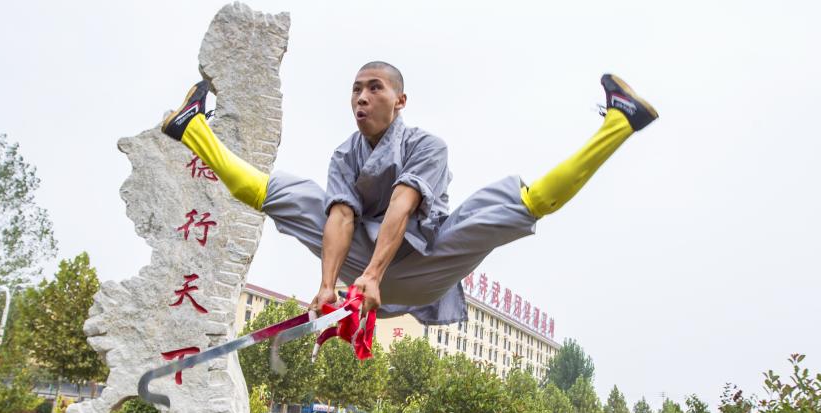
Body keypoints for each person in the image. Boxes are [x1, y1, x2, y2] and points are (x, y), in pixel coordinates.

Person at [160, 61, 658, 325]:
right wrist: (329, 287)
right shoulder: (344, 154)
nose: (361, 97)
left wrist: (375, 275)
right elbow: (338, 217)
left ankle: (620, 122)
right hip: (360, 269)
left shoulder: (426, 146)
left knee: (498, 207)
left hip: (423, 263)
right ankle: (192, 129)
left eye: (374, 87)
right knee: (296, 195)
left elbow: (403, 202)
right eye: (355, 88)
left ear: (400, 100)